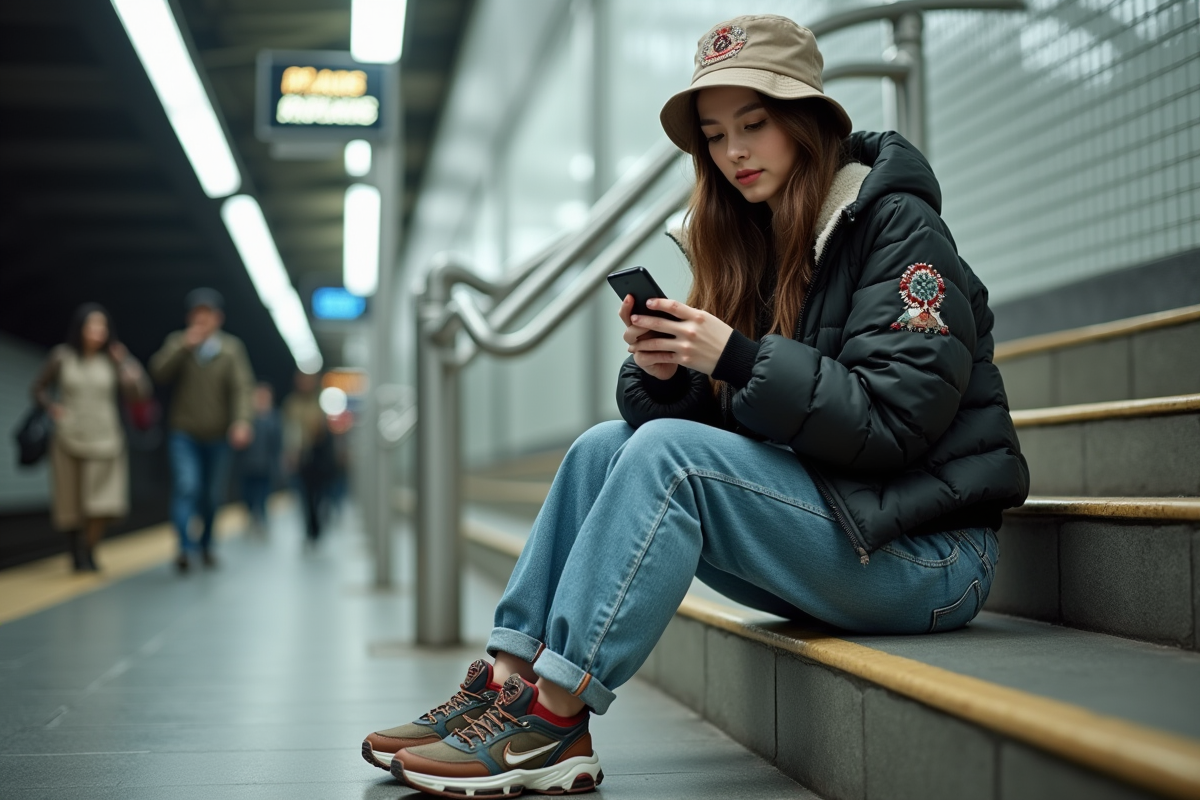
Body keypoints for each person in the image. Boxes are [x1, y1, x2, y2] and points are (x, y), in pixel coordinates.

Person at [363, 15, 1029, 797]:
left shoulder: (897, 227)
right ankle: (507, 682)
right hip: (833, 527)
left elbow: (893, 423)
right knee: (603, 447)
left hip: (929, 558)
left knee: (665, 458)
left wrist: (736, 359)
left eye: (754, 124)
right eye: (714, 136)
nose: (734, 151)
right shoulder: (752, 238)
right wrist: (672, 378)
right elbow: (737, 432)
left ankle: (553, 721)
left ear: (809, 122)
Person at [30, 304, 150, 572]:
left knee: (102, 502)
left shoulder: (113, 360)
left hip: (106, 438)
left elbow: (140, 394)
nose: (98, 331)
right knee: (70, 502)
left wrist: (126, 362)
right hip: (68, 437)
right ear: (80, 328)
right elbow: (38, 388)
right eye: (92, 325)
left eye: (102, 326)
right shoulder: (62, 356)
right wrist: (52, 407)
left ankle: (90, 547)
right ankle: (76, 552)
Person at [150, 288, 255, 572]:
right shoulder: (179, 343)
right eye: (197, 315)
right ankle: (184, 548)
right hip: (184, 433)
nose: (202, 321)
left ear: (218, 319)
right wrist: (183, 346)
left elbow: (242, 388)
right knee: (187, 486)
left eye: (207, 315)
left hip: (218, 435)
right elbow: (158, 372)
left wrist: (242, 421)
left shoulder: (231, 349)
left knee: (211, 495)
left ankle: (206, 544)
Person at [282, 371, 333, 545]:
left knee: (320, 493)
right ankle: (310, 528)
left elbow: (327, 430)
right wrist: (290, 454)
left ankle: (317, 524)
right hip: (301, 455)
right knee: (304, 495)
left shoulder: (320, 402)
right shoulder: (292, 404)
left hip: (319, 455)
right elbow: (288, 430)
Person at [238, 382, 281, 535]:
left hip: (265, 466)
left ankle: (261, 521)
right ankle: (251, 518)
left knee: (263, 496)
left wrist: (276, 465)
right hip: (248, 465)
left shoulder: (274, 418)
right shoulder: (248, 418)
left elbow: (277, 444)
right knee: (248, 495)